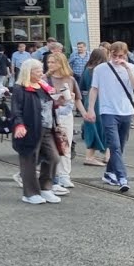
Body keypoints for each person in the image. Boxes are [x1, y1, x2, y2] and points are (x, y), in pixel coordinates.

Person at [86, 41, 134, 192]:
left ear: (126, 54)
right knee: (115, 146)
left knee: (120, 146)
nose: (117, 58)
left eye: (121, 55)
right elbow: (94, 89)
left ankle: (109, 173)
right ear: (109, 54)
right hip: (108, 111)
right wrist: (91, 109)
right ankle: (122, 177)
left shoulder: (130, 67)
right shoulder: (101, 69)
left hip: (126, 111)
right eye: (114, 55)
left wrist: (127, 68)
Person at [9, 59, 63, 205]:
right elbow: (16, 109)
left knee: (54, 157)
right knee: (29, 160)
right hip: (30, 129)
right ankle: (30, 193)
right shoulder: (20, 88)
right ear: (28, 72)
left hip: (47, 128)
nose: (41, 72)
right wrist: (19, 125)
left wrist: (61, 99)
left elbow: (52, 103)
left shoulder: (43, 86)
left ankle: (45, 187)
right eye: (37, 70)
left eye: (40, 69)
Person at [45, 52, 87, 189]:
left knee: (65, 144)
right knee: (51, 146)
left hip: (66, 114)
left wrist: (85, 114)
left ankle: (64, 175)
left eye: (53, 62)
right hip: (50, 114)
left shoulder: (70, 79)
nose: (50, 64)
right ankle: (54, 175)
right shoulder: (46, 79)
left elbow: (77, 99)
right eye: (49, 62)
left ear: (61, 63)